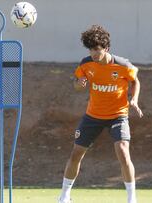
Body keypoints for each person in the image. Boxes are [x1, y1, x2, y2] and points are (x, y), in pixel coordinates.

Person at [58, 25, 143, 203]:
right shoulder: (86, 63)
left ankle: (131, 198)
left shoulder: (122, 65)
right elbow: (76, 84)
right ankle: (64, 196)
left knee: (123, 151)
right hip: (93, 116)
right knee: (76, 153)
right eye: (91, 49)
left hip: (118, 115)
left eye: (97, 49)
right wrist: (78, 84)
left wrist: (133, 99)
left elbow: (135, 82)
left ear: (106, 48)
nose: (94, 53)